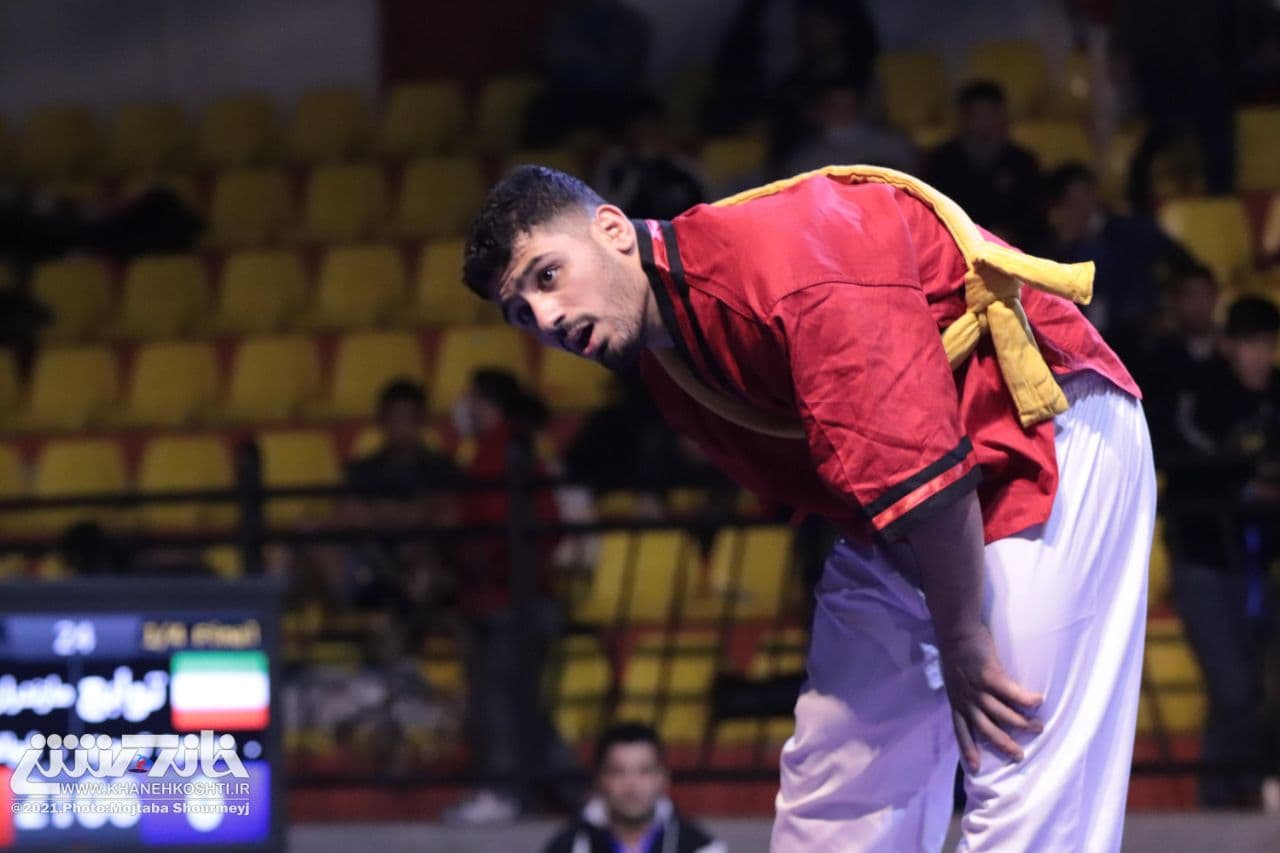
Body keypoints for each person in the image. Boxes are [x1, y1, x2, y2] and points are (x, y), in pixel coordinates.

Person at [461, 165, 1155, 850]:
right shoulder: (665, 355)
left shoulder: (787, 263)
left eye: (547, 275)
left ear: (612, 229)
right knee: (837, 779)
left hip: (1042, 426)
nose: (546, 319)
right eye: (521, 313)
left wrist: (962, 637)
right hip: (905, 512)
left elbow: (925, 471)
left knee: (1017, 750)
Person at [444, 369, 582, 824]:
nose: (464, 408)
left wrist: (489, 568)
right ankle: (576, 791)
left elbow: (521, 527)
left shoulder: (504, 451)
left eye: (472, 399)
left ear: (489, 403)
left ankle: (505, 791)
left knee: (502, 703)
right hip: (501, 598)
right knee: (515, 701)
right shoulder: (501, 449)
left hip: (509, 600)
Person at [1163, 296, 1280, 808]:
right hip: (1203, 563)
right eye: (1250, 343)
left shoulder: (1276, 394)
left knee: (1252, 689)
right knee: (1234, 688)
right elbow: (1185, 461)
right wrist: (1248, 482)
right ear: (1230, 344)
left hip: (1261, 566)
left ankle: (1233, 797)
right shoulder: (1200, 392)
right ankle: (1221, 800)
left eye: (1267, 344)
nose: (1259, 355)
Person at [1036, 161, 1197, 359]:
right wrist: (1064, 244)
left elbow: (1185, 264)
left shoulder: (1132, 230)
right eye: (1072, 201)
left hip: (1139, 333)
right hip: (1078, 343)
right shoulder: (1054, 247)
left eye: (1086, 195)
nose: (1083, 207)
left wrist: (1168, 305)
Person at [541, 723, 725, 853]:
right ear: (599, 780)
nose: (631, 784)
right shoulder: (567, 847)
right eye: (618, 772)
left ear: (663, 778)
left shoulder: (702, 848)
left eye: (644, 771)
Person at [923, 81, 1044, 247]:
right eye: (976, 116)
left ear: (1003, 117)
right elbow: (930, 212)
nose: (984, 125)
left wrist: (1007, 234)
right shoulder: (941, 162)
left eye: (990, 116)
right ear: (963, 118)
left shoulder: (1022, 162)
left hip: (1013, 250)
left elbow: (1034, 215)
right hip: (954, 245)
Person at [593, 98, 708, 222]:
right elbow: (604, 212)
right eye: (640, 128)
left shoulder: (681, 164)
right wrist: (637, 171)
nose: (646, 134)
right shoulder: (614, 164)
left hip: (677, 230)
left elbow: (708, 202)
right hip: (630, 230)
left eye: (650, 127)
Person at [780, 77, 918, 178]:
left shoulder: (892, 144)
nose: (842, 111)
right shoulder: (805, 159)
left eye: (848, 105)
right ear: (819, 109)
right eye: (834, 105)